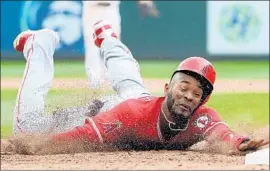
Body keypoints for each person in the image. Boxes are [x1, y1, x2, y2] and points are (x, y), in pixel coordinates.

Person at [8, 20, 269, 155]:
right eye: (184, 87)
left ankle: (108, 37)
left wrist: (242, 143)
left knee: (131, 83)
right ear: (168, 88)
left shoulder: (202, 119)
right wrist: (28, 145)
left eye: (197, 94)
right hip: (110, 111)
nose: (189, 96)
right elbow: (80, 136)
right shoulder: (129, 114)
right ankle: (39, 44)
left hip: (143, 102)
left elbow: (224, 136)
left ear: (202, 102)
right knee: (25, 128)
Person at [82, 1, 159, 88]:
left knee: (113, 43)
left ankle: (111, 77)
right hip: (92, 9)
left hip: (111, 10)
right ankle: (94, 80)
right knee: (92, 45)